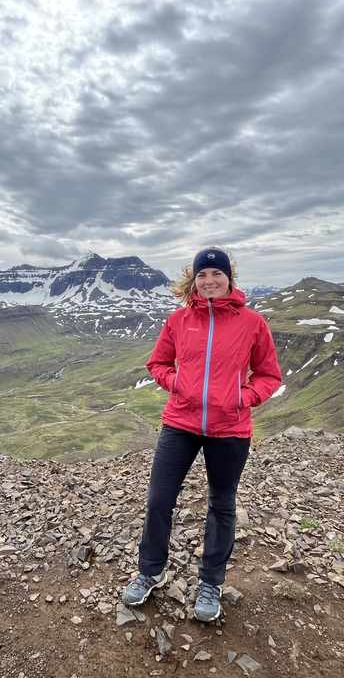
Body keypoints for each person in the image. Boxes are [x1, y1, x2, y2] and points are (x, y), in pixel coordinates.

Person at [122, 247, 282, 622]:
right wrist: (177, 382)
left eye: (217, 274)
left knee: (222, 505)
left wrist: (245, 397)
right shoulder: (179, 320)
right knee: (159, 500)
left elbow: (269, 374)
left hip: (230, 428)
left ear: (229, 279)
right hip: (180, 422)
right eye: (203, 275)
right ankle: (151, 572)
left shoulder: (252, 322)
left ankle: (211, 582)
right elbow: (157, 363)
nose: (209, 281)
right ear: (194, 280)